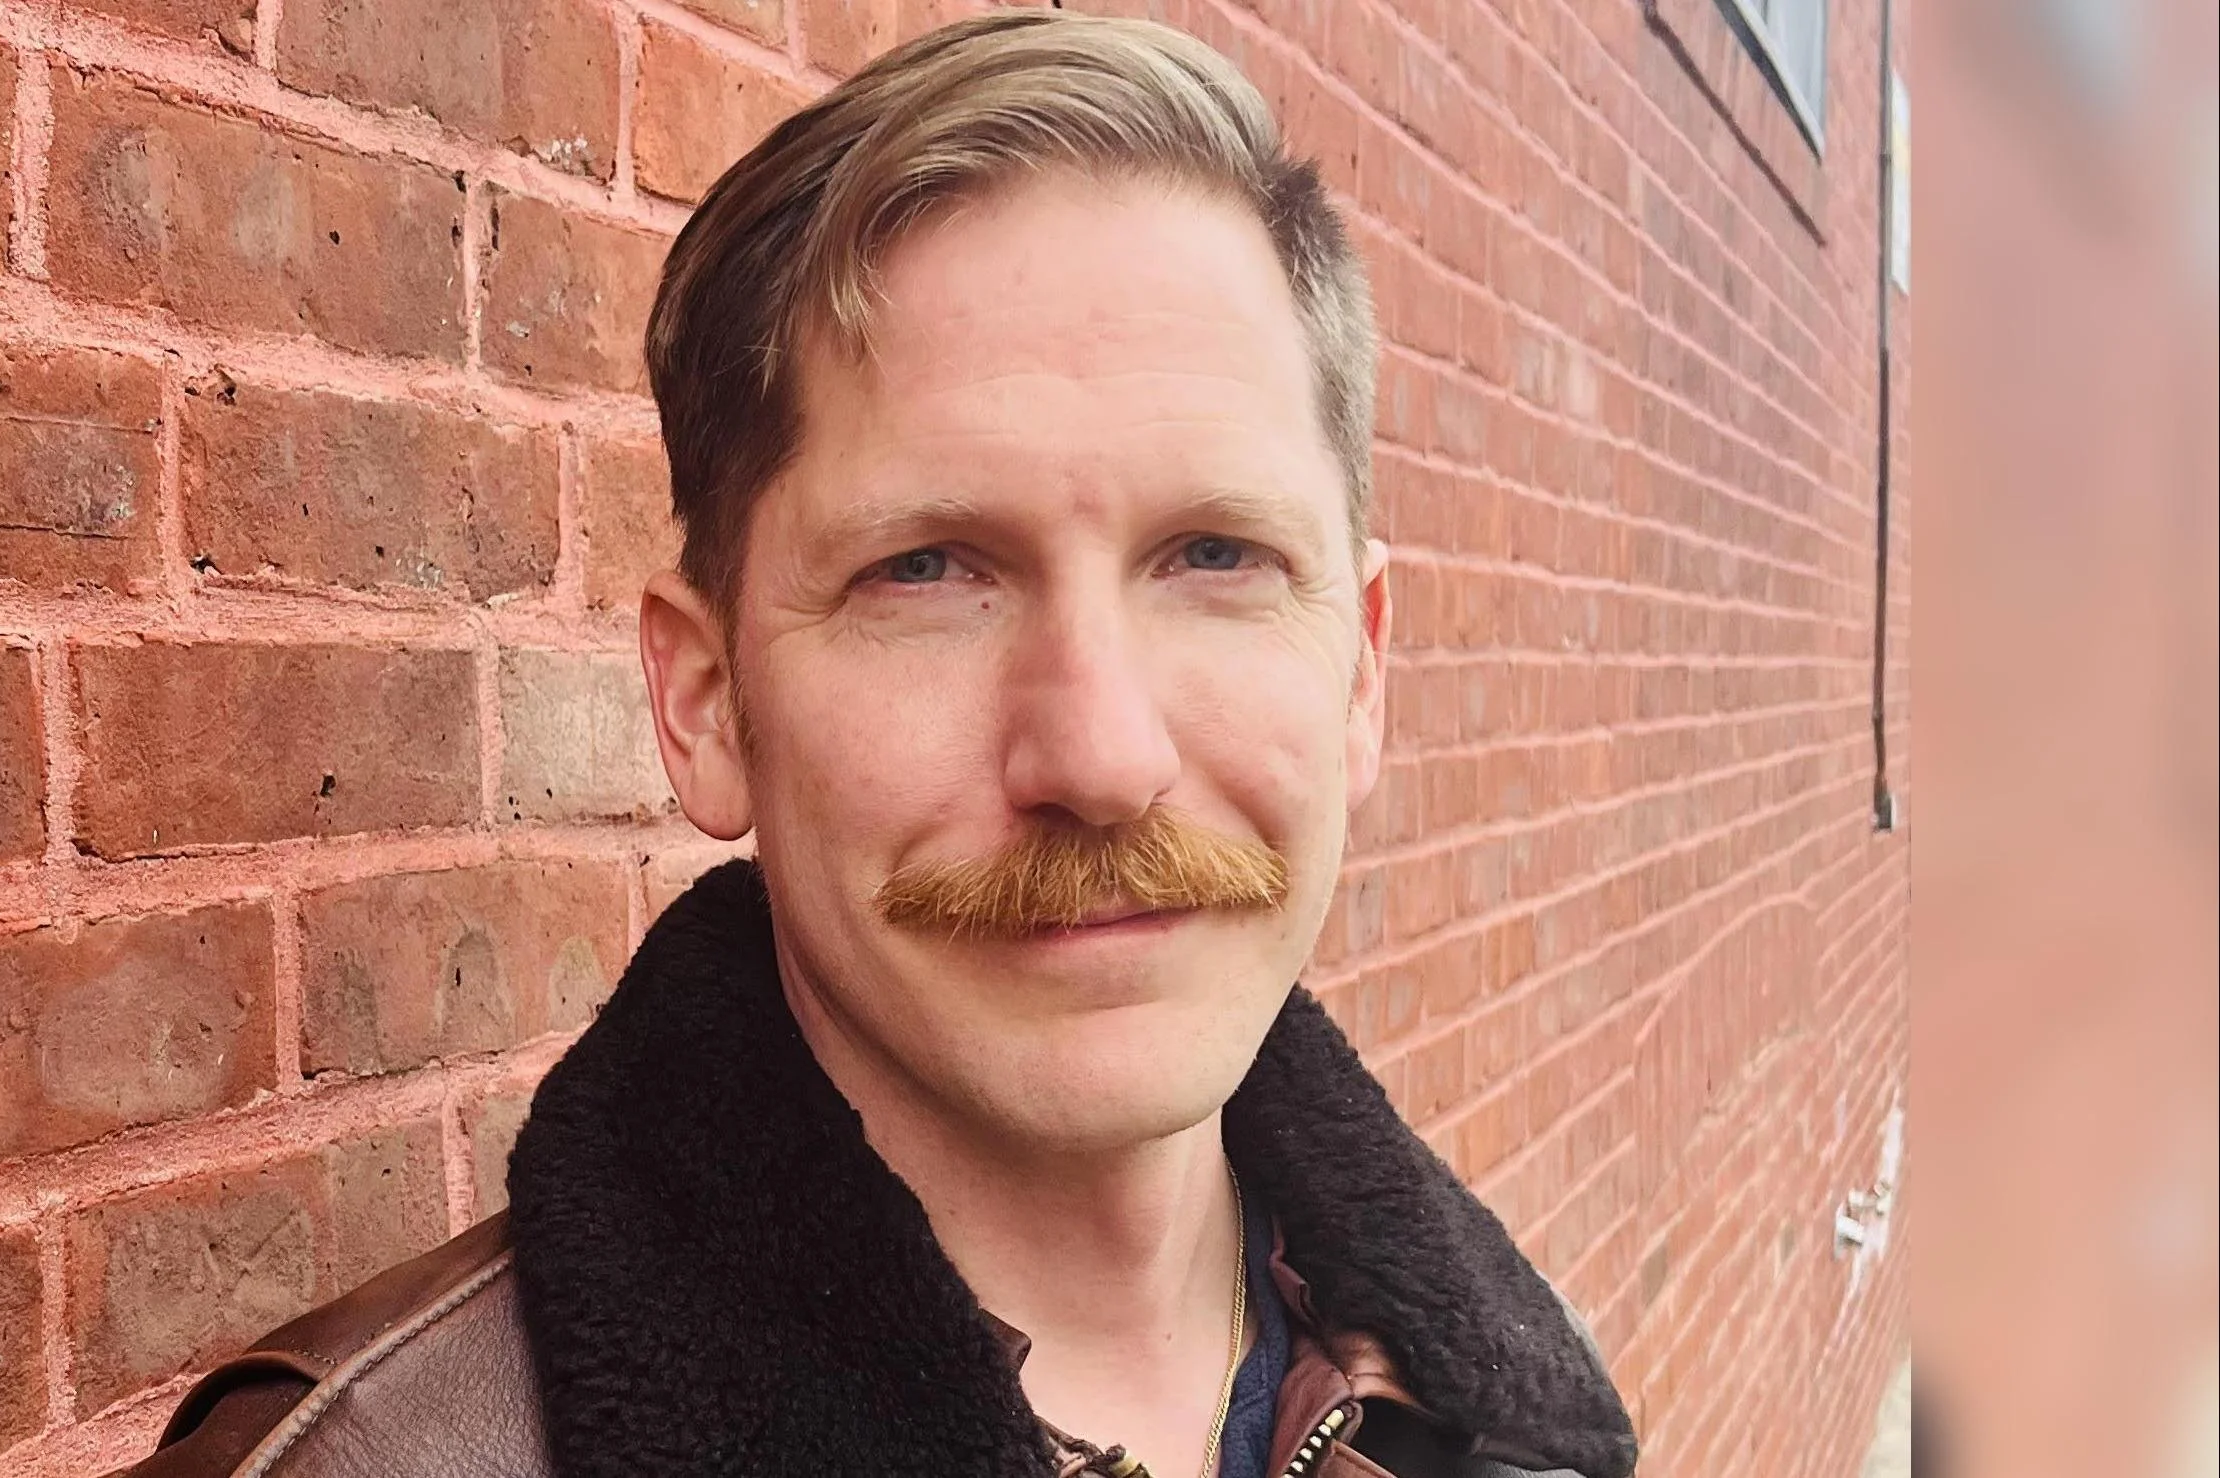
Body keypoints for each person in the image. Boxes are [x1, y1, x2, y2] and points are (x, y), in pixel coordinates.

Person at [125, 13, 1637, 1478]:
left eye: (1217, 555)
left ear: (1362, 666)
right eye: (925, 571)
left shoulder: (1506, 1407)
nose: (1102, 758)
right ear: (706, 704)